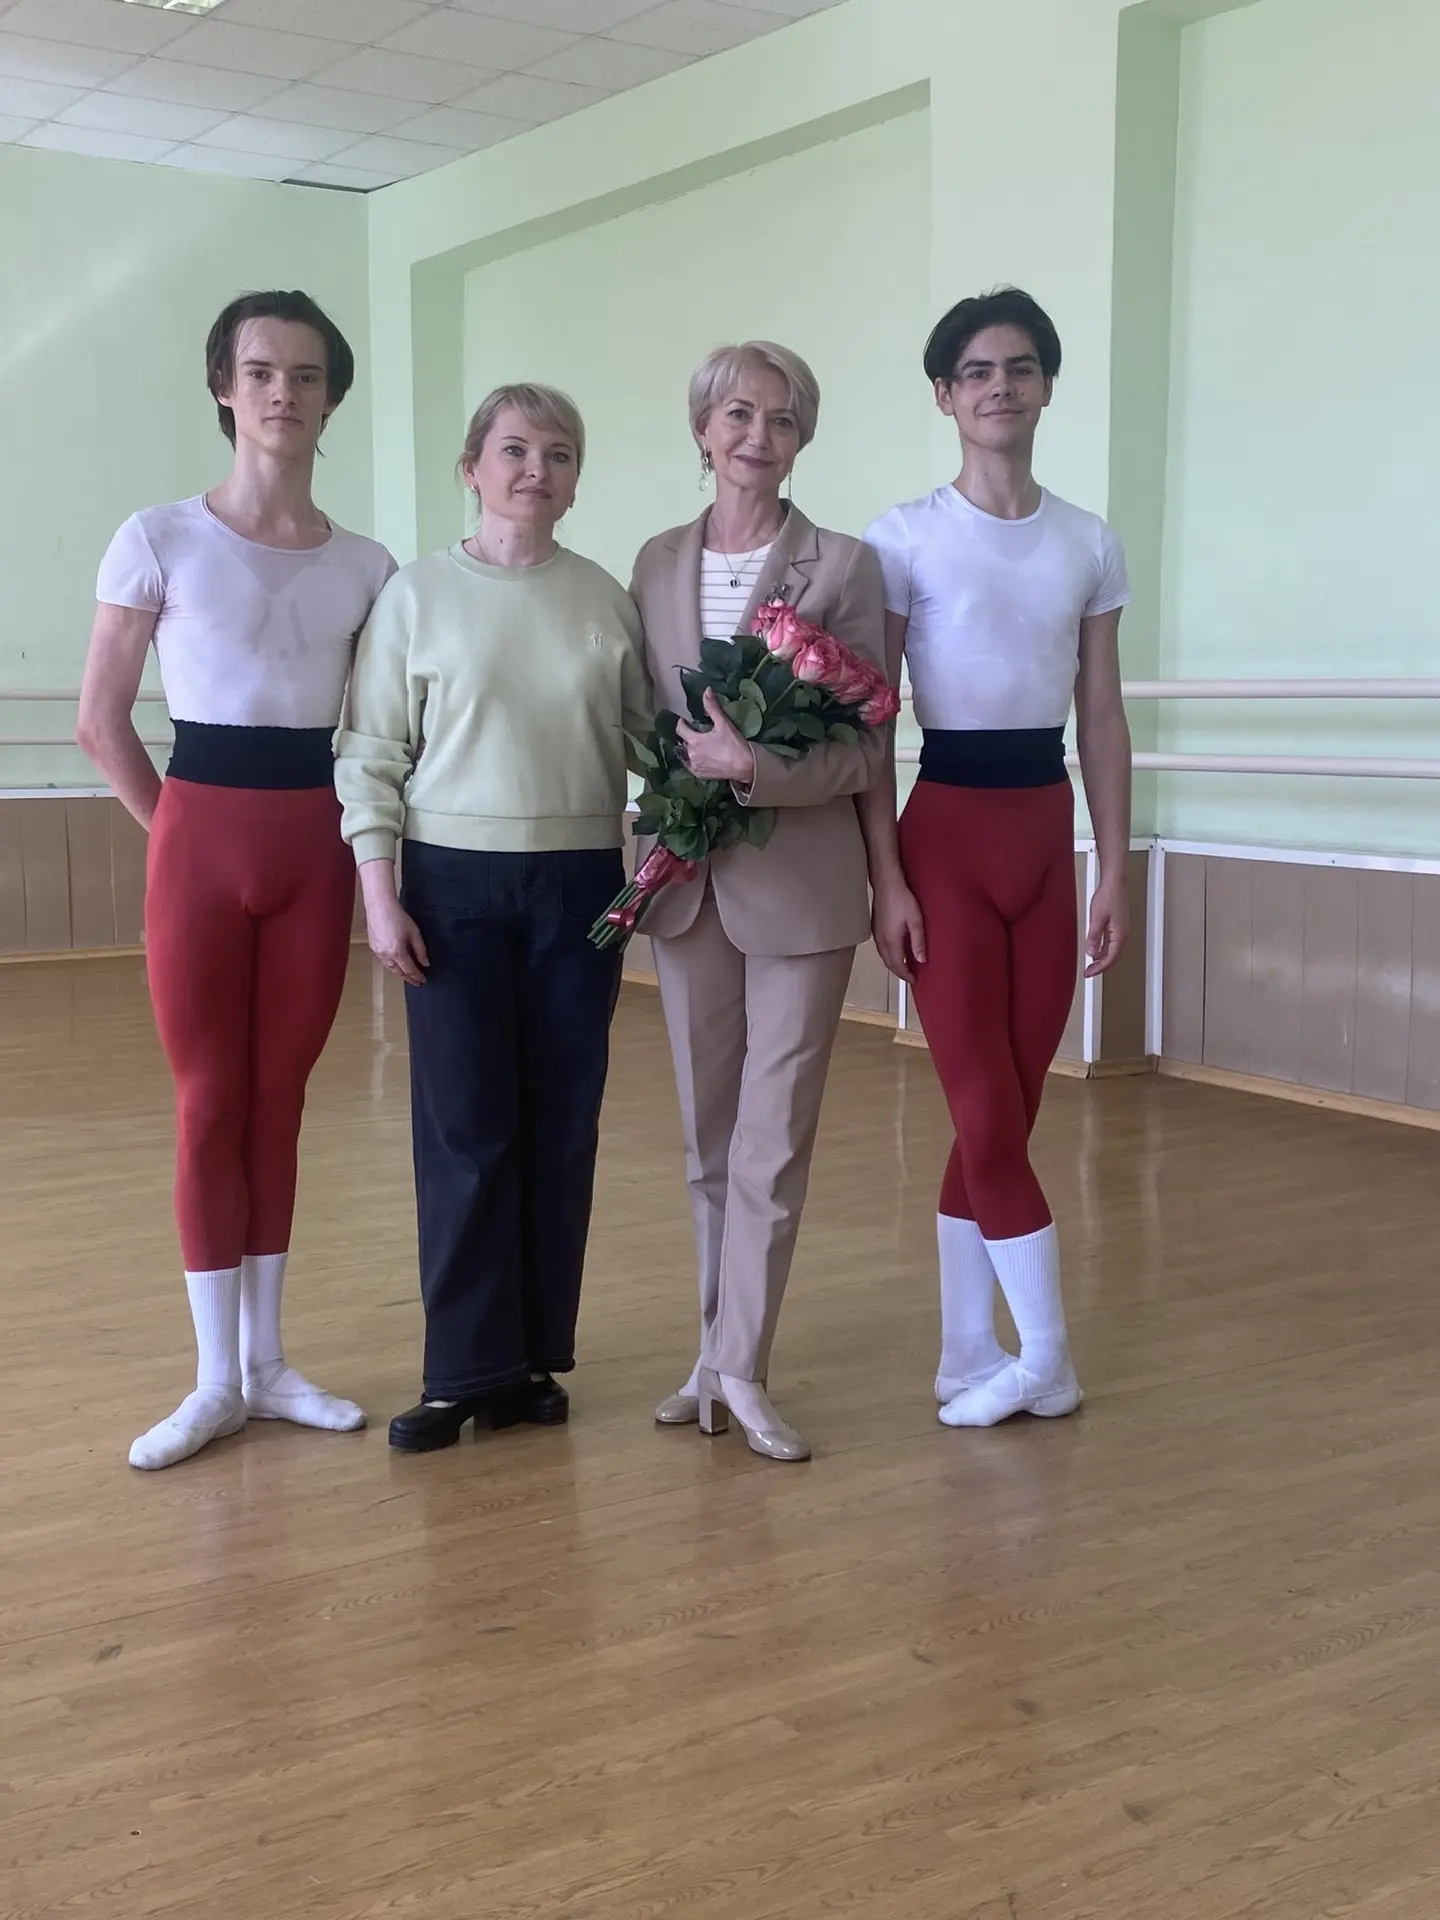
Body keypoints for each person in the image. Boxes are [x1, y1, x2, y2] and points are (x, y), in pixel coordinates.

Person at [77, 290, 396, 1470]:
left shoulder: (367, 566)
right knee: (209, 1102)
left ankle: (268, 1365)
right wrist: (176, 834)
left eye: (306, 375)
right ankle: (214, 1378)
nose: (282, 393)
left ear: (332, 398)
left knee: (282, 1102)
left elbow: (379, 729)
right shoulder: (158, 538)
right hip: (200, 842)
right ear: (224, 386)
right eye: (261, 371)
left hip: (315, 844)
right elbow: (101, 720)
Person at [336, 384, 651, 1453]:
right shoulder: (417, 595)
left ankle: (529, 1364)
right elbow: (371, 755)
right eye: (514, 450)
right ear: (471, 467)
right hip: (449, 886)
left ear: (575, 479)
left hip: (581, 886)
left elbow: (653, 743)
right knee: (466, 1128)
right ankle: (460, 1370)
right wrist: (381, 893)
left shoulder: (604, 600)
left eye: (558, 454)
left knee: (562, 1124)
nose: (535, 470)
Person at [863, 287, 1133, 1428]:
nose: (999, 386)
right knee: (982, 1107)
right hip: (945, 837)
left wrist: (1113, 865)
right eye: (976, 371)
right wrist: (886, 876)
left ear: (1047, 387)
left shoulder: (1088, 540)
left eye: (1019, 367)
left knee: (1007, 1113)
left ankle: (966, 1350)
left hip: (1044, 833)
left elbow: (1102, 715)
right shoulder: (903, 537)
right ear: (945, 396)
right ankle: (1050, 1362)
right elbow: (872, 719)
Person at [633, 342, 889, 1463]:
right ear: (702, 429)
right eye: (738, 413)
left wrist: (755, 768)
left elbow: (868, 745)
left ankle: (744, 1364)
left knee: (772, 1140)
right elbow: (640, 718)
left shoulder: (846, 567)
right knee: (706, 1138)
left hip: (802, 892)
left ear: (801, 442)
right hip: (686, 887)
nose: (757, 435)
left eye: (782, 420)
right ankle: (708, 1356)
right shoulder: (654, 562)